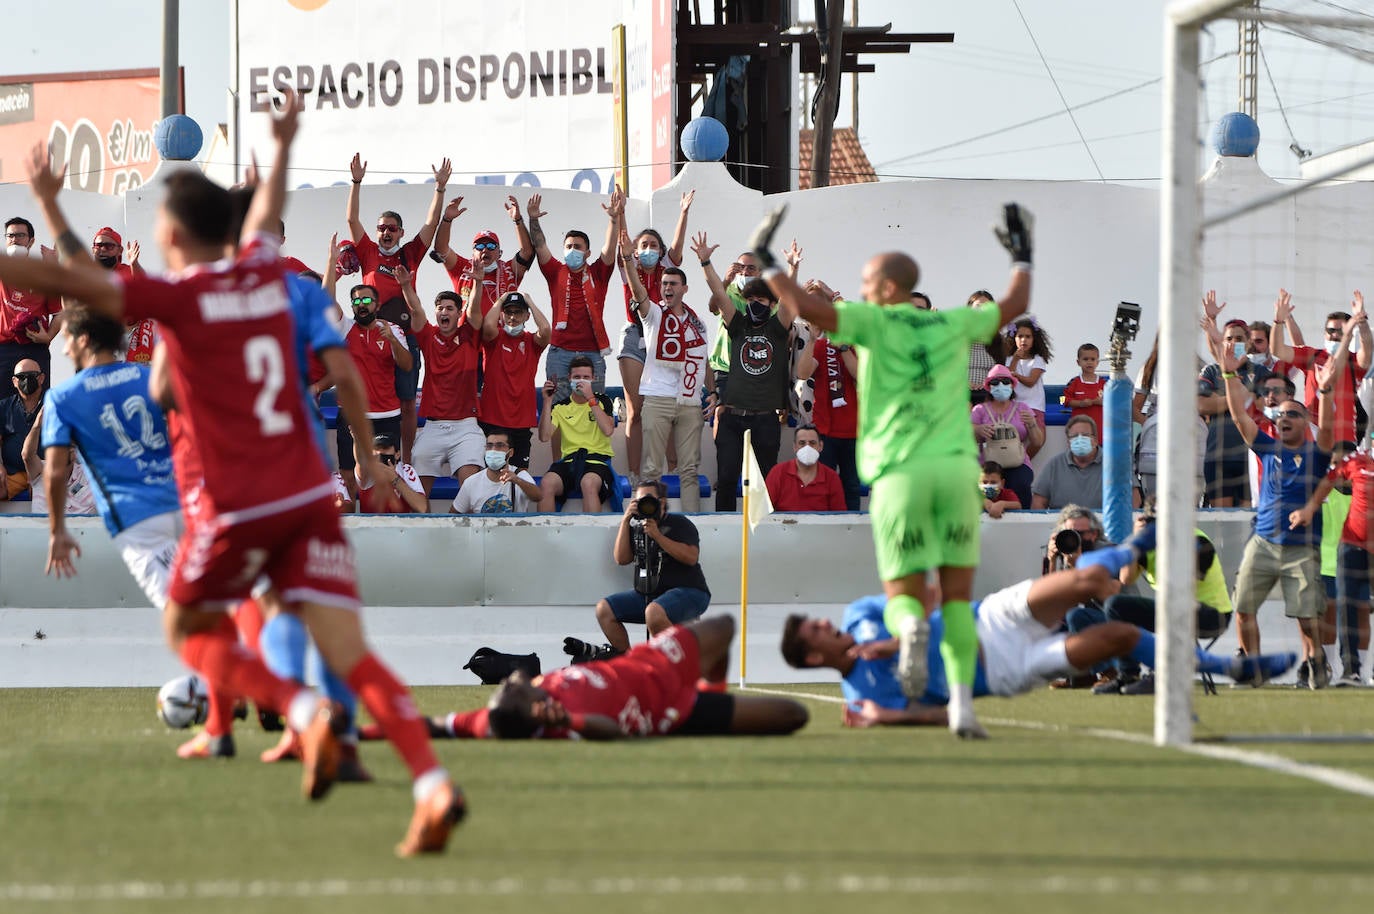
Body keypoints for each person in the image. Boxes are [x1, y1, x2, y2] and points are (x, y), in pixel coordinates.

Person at [3, 95, 463, 856]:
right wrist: (370, 456)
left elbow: (82, 278)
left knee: (187, 624)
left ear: (175, 236)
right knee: (348, 646)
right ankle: (430, 784)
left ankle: (300, 716)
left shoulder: (183, 298)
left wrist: (51, 204)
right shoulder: (270, 275)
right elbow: (340, 364)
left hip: (236, 500)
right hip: (312, 492)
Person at [752, 202, 1033, 739]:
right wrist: (1022, 253)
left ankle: (908, 633)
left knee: (904, 591)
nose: (860, 287)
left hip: (900, 473)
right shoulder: (951, 322)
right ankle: (962, 709)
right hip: (956, 473)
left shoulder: (872, 321)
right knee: (956, 598)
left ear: (883, 287)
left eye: (865, 279)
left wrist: (768, 260)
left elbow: (803, 305)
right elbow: (1016, 301)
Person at [781, 537, 1295, 726]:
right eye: (817, 631)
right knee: (1114, 636)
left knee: (1091, 580)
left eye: (819, 620)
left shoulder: (859, 615)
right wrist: (884, 719)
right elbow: (941, 714)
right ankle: (1231, 667)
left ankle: (1133, 547)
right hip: (1004, 669)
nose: (828, 624)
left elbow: (926, 598)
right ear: (812, 659)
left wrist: (900, 637)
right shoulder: (863, 696)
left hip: (988, 618)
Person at [420, 616, 807, 740]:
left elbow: (435, 725)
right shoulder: (562, 716)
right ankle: (709, 695)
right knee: (793, 715)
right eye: (509, 690)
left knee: (723, 627)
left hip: (648, 660)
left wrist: (361, 731)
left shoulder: (492, 718)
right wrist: (568, 721)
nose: (506, 683)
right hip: (673, 710)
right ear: (534, 708)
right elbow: (609, 731)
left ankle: (711, 685)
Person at [1218, 322, 1336, 688]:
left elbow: (1330, 428)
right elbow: (1239, 416)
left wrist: (1328, 391)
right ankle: (1253, 668)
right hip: (1264, 541)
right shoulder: (1269, 447)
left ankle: (1316, 658)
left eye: (1292, 414)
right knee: (1243, 609)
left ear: (1305, 422)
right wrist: (1227, 372)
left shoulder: (1317, 454)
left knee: (1306, 618)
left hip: (1302, 547)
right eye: (1281, 414)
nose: (1284, 418)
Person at [345, 153, 452, 463]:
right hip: (372, 337)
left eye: (392, 228)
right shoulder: (367, 252)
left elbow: (431, 223)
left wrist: (439, 189)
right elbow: (352, 220)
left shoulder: (410, 254)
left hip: (405, 337)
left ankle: (404, 461)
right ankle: (368, 457)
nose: (386, 232)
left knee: (406, 403)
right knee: (370, 399)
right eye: (381, 228)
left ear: (401, 232)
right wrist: (356, 182)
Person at [697, 240, 799, 513]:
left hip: (765, 420)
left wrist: (792, 267)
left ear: (771, 303)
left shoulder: (778, 329)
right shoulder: (738, 326)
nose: (755, 304)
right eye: (751, 300)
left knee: (765, 482)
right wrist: (706, 263)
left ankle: (764, 536)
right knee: (728, 478)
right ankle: (725, 529)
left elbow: (790, 299)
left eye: (761, 300)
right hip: (732, 419)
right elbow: (718, 292)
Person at [621, 230, 711, 511]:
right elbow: (637, 290)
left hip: (688, 401)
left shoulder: (697, 323)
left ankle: (693, 526)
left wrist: (714, 391)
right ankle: (649, 521)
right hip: (658, 399)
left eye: (673, 283)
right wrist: (626, 257)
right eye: (663, 284)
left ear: (684, 288)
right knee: (651, 470)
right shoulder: (653, 314)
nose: (667, 288)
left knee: (689, 470)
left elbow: (704, 359)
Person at [613, 190, 694, 483]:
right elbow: (623, 242)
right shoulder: (628, 268)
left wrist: (683, 212)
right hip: (635, 336)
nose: (648, 248)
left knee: (667, 409)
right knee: (636, 410)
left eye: (653, 245)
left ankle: (671, 471)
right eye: (643, 244)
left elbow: (678, 245)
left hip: (664, 337)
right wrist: (620, 211)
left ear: (661, 252)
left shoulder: (667, 270)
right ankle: (635, 474)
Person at [591, 479, 711, 654]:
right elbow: (621, 558)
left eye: (648, 500)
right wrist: (625, 521)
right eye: (639, 501)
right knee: (604, 610)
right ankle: (631, 664)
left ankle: (675, 665)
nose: (644, 505)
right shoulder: (637, 527)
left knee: (654, 613)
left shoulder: (679, 523)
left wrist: (658, 536)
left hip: (689, 591)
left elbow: (691, 557)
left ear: (661, 502)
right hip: (649, 595)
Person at [397, 266, 483, 497]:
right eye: (440, 308)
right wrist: (406, 285)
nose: (444, 312)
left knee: (470, 490)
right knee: (417, 496)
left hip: (466, 427)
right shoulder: (428, 335)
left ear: (458, 313)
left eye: (449, 308)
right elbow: (416, 310)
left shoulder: (470, 335)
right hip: (433, 428)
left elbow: (475, 311)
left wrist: (478, 283)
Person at [526, 189, 620, 398]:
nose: (572, 250)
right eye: (568, 246)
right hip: (560, 352)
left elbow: (610, 247)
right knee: (558, 409)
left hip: (593, 353)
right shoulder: (555, 271)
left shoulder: (599, 273)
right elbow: (540, 244)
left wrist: (614, 220)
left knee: (593, 411)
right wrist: (533, 219)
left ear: (588, 253)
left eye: (577, 247)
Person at [334, 282, 412, 502]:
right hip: (352, 415)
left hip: (386, 416)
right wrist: (332, 261)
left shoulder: (392, 329)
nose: (361, 305)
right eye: (356, 301)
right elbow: (328, 299)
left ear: (377, 305)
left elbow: (407, 365)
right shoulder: (345, 327)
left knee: (387, 478)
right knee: (349, 477)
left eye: (366, 300)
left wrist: (392, 340)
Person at [1269, 289, 1372, 444]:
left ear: (1349, 333)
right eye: (1331, 331)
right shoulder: (1312, 356)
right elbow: (1277, 349)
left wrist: (1362, 322)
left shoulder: (1354, 362)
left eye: (1341, 331)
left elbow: (1367, 349)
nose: (1335, 335)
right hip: (1312, 440)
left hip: (1343, 441)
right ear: (1324, 334)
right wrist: (1278, 321)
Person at [794, 282, 862, 511]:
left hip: (854, 429)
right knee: (824, 483)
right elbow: (802, 373)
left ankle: (852, 528)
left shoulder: (853, 339)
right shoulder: (819, 344)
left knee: (852, 485)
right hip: (824, 430)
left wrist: (843, 347)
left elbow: (860, 375)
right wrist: (813, 340)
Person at [1198, 310, 1272, 507]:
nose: (1234, 342)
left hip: (1250, 455)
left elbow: (1261, 405)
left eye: (1239, 338)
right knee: (1222, 523)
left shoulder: (1261, 371)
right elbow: (1202, 405)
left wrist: (1221, 399)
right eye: (1229, 338)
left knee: (1248, 521)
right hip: (1218, 455)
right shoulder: (1212, 370)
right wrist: (1240, 396)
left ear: (1248, 342)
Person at [478, 290, 550, 470]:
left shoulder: (532, 342)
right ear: (502, 314)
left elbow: (546, 330)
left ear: (526, 315)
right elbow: (487, 325)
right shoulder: (494, 338)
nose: (512, 317)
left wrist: (530, 302)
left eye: (518, 312)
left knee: (520, 478)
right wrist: (501, 299)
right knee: (489, 476)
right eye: (508, 312)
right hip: (492, 419)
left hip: (521, 422)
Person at [538, 356, 617, 513]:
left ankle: (592, 534)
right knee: (547, 483)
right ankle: (546, 535)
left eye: (586, 377)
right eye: (577, 377)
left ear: (593, 378)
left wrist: (590, 399)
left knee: (588, 483)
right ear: (569, 379)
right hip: (569, 461)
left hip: (597, 461)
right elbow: (544, 437)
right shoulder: (560, 406)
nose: (581, 381)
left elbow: (608, 430)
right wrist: (547, 402)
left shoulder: (603, 401)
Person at [432, 195, 534, 317]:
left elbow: (527, 252)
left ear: (500, 253)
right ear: (472, 252)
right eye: (479, 246)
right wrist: (447, 219)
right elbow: (441, 248)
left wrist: (517, 220)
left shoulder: (510, 269)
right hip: (467, 332)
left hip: (498, 333)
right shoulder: (462, 267)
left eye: (491, 246)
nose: (485, 249)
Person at [970, 363, 1042, 509]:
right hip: (987, 464)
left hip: (1018, 463)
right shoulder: (979, 410)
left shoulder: (1023, 408)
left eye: (1005, 381)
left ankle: (1022, 522)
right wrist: (977, 430)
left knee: (1021, 483)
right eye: (995, 382)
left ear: (1012, 385)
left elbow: (1037, 442)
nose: (1001, 385)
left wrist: (1032, 424)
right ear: (989, 386)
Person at [0, 216, 61, 387]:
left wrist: (48, 337)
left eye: (20, 235)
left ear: (31, 241)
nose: (14, 240)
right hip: (4, 349)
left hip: (34, 348)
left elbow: (59, 313)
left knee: (37, 404)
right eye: (10, 236)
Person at [449, 429, 541, 514]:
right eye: (489, 446)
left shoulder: (519, 475)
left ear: (511, 452)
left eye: (500, 445)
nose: (493, 450)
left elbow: (538, 497)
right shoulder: (472, 482)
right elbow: (452, 516)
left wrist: (517, 480)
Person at [765, 425, 846, 511]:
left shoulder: (831, 477)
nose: (807, 447)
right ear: (794, 447)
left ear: (820, 446)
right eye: (802, 443)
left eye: (812, 443)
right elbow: (763, 511)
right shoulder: (778, 472)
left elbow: (839, 516)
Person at [1031, 415, 1104, 510]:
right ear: (1068, 442)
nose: (1080, 439)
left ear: (1095, 440)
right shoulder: (1054, 465)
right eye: (1074, 436)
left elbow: (1128, 500)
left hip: (1102, 522)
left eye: (1085, 435)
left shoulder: (1113, 464)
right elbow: (1038, 502)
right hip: (1063, 523)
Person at [0, 358, 44, 499]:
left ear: (41, 378)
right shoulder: (3, 407)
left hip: (45, 472)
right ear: (14, 381)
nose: (26, 380)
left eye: (31, 375)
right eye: (21, 377)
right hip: (12, 475)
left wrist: (39, 475)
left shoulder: (54, 405)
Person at [1004, 316, 1052, 443]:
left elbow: (1031, 381)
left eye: (1028, 336)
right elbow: (1006, 382)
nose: (1023, 340)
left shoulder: (1038, 359)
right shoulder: (1008, 359)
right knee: (1014, 441)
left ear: (1033, 339)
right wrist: (1015, 360)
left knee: (1039, 441)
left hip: (1035, 406)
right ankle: (1017, 460)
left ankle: (1025, 461)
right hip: (1014, 406)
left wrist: (1016, 375)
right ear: (1013, 338)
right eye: (1020, 336)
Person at [356, 433, 428, 514]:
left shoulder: (405, 470)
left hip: (400, 523)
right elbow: (359, 461)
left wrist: (395, 479)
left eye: (385, 448)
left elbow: (422, 507)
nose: (380, 452)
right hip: (370, 523)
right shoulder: (366, 470)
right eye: (376, 449)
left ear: (397, 454)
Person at [1062, 342, 1105, 435]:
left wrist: (1104, 402)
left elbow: (1114, 403)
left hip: (1099, 430)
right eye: (1085, 359)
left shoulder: (1105, 384)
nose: (1089, 362)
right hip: (1078, 431)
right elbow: (1062, 400)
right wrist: (1080, 403)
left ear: (1097, 362)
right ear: (1078, 362)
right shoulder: (1073, 382)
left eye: (1092, 359)